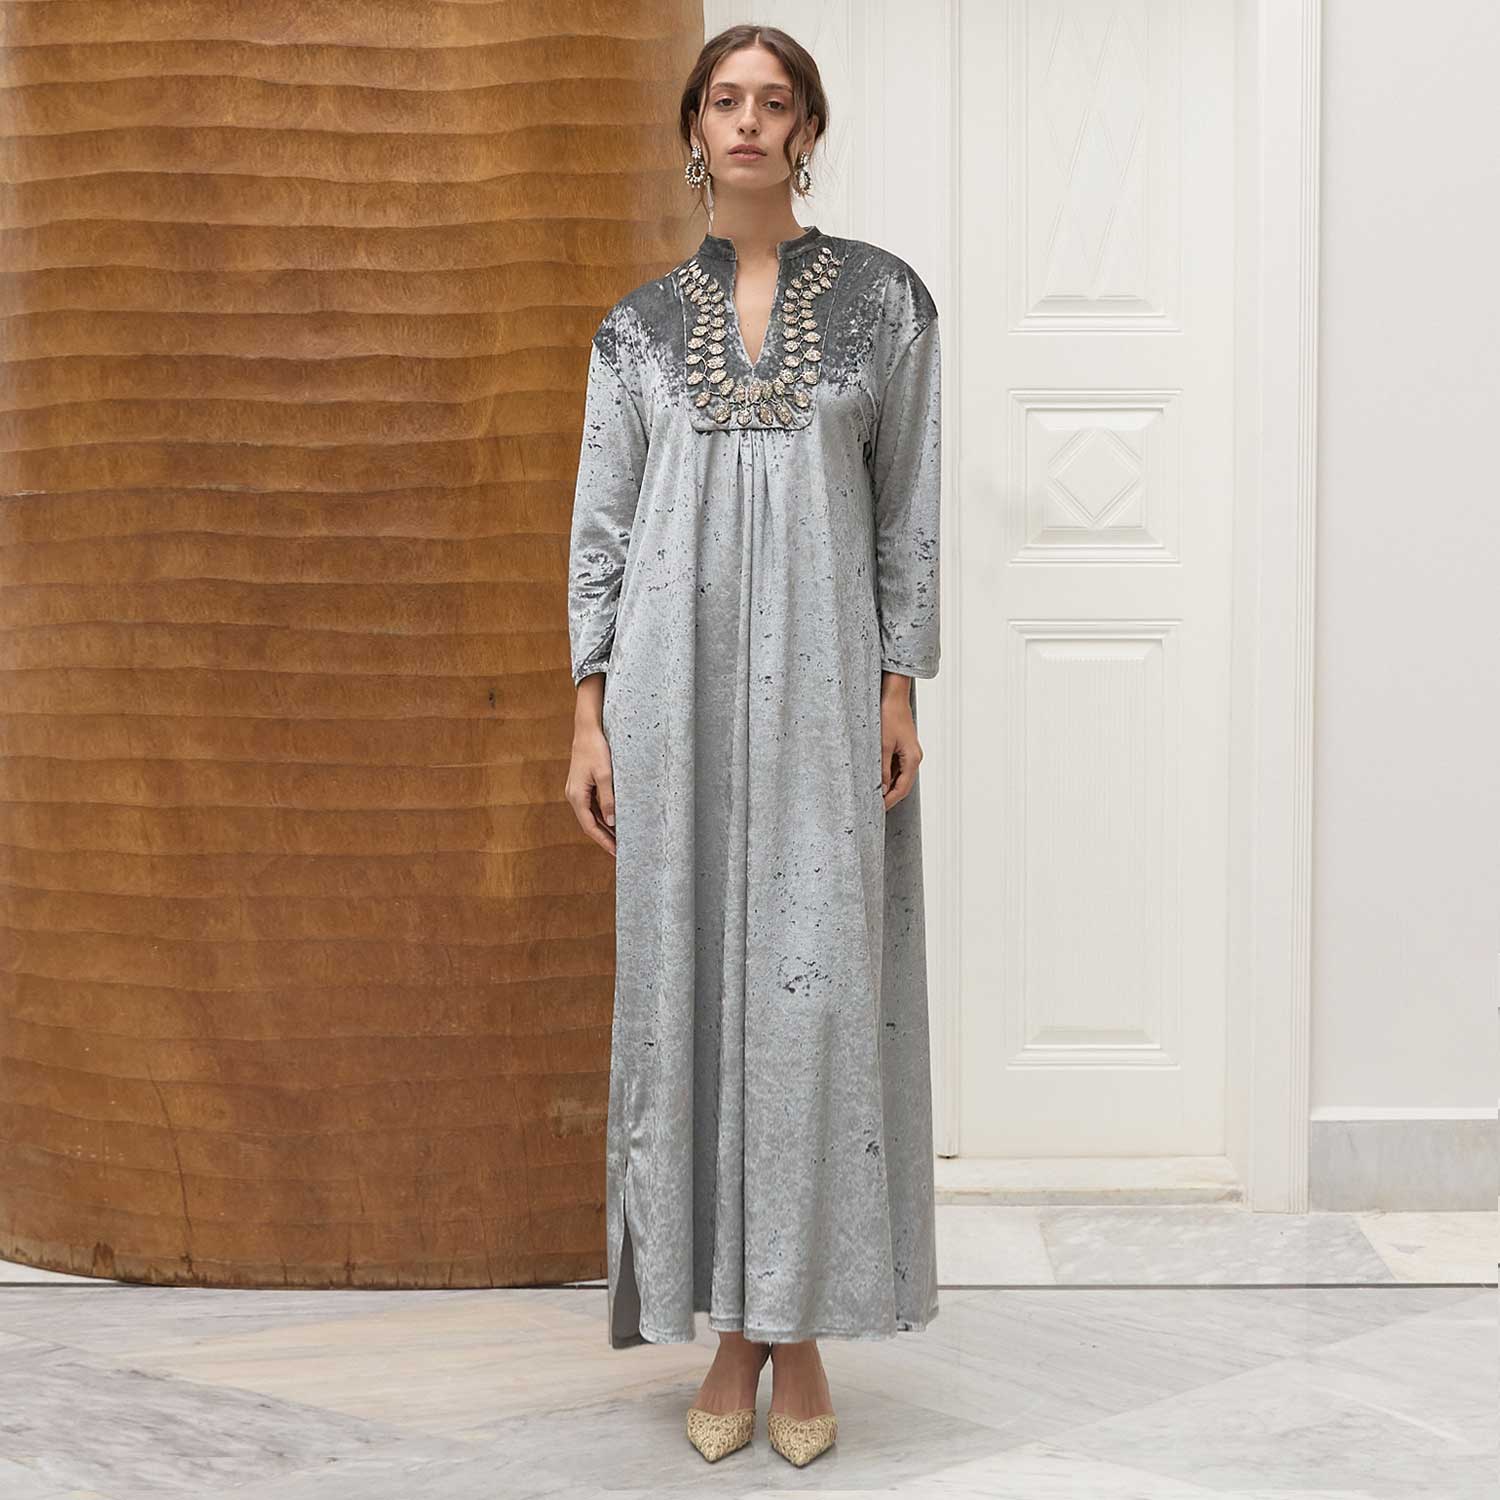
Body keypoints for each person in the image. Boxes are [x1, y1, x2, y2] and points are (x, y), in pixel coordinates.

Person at [563, 23, 941, 1469]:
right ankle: (729, 1331)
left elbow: (906, 510)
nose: (747, 122)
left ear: (807, 131)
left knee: (816, 1000)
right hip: (671, 697)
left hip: (830, 691)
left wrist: (901, 687)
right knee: (693, 993)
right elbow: (602, 528)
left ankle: (802, 1327)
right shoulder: (639, 330)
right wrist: (587, 713)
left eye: (774, 102)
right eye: (724, 99)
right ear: (693, 128)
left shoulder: (887, 306)